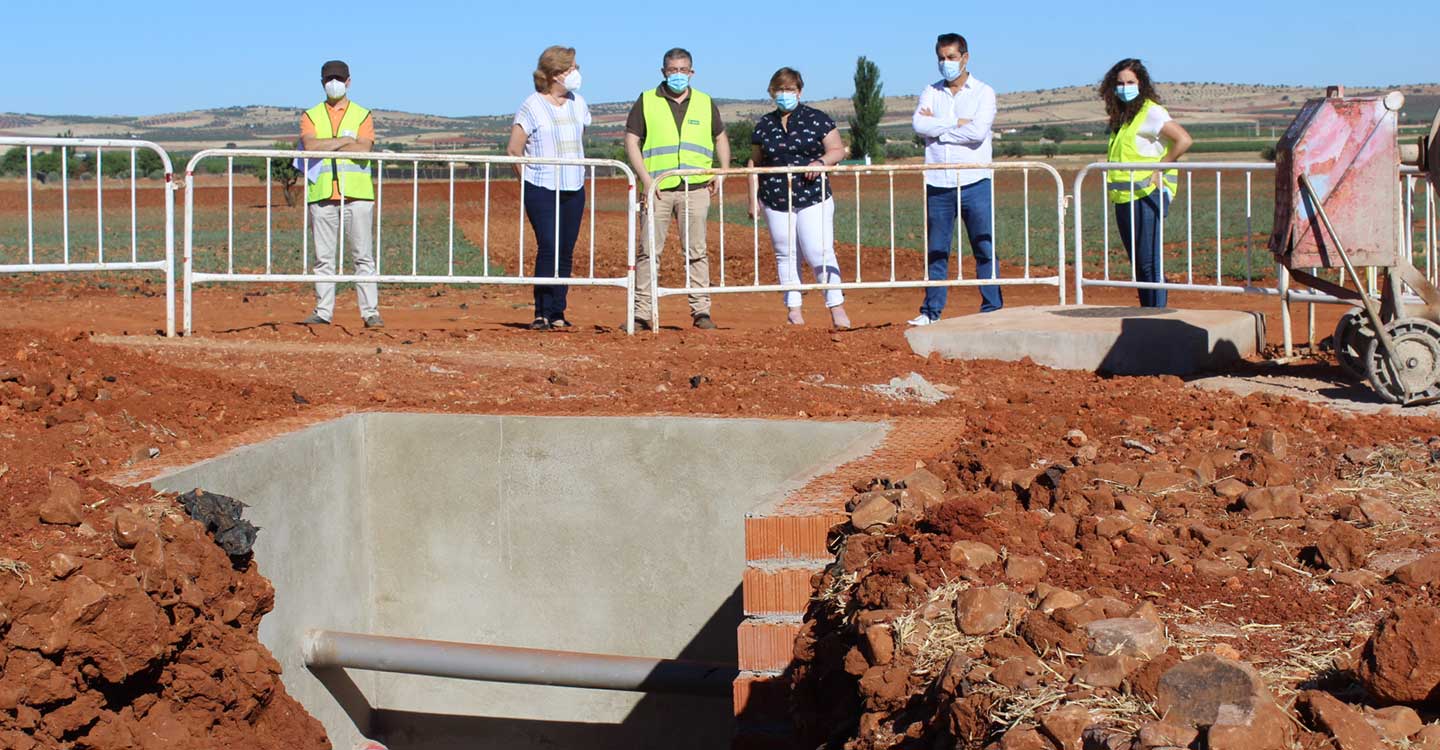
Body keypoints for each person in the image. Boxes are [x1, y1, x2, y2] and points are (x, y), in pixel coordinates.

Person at [624, 47, 730, 330]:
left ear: (692, 72)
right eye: (673, 70)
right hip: (658, 188)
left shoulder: (706, 102)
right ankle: (642, 313)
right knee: (648, 251)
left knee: (696, 250)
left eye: (683, 70)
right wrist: (646, 180)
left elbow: (720, 137)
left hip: (695, 188)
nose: (678, 75)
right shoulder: (647, 100)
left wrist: (722, 171)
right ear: (663, 72)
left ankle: (701, 311)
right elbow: (632, 140)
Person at [746, 67, 851, 329]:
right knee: (785, 253)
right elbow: (754, 163)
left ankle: (836, 307)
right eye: (779, 90)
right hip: (775, 198)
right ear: (771, 92)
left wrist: (821, 162)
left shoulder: (817, 119)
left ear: (800, 91)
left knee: (819, 251)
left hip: (812, 195)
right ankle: (794, 310)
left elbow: (838, 150)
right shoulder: (764, 125)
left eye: (790, 89)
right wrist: (753, 198)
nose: (784, 94)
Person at [909, 33, 999, 326]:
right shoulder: (931, 91)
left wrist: (938, 129)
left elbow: (977, 133)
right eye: (941, 58)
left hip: (975, 180)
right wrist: (954, 124)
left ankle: (992, 308)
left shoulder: (984, 92)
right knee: (937, 250)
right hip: (938, 182)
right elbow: (918, 124)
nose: (945, 63)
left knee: (984, 247)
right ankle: (931, 311)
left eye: (951, 57)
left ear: (965, 58)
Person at [507, 45, 592, 330]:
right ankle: (541, 311)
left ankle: (558, 311)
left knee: (566, 249)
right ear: (556, 73)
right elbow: (514, 150)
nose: (576, 73)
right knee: (549, 246)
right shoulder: (531, 105)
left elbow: (580, 138)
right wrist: (527, 181)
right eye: (572, 68)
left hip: (573, 185)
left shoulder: (578, 103)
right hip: (541, 186)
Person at [1100, 58, 1192, 308]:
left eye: (1130, 82)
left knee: (1150, 262)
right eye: (1120, 83)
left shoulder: (1151, 112)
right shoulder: (1123, 117)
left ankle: (1157, 317)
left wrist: (1161, 167)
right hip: (1124, 197)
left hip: (1146, 195)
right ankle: (1147, 314)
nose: (1124, 87)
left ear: (1141, 84)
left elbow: (1183, 140)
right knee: (1139, 264)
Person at [299, 60, 381, 328]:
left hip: (357, 196)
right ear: (322, 82)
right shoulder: (310, 115)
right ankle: (323, 312)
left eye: (338, 78)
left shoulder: (362, 114)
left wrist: (331, 146)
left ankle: (370, 313)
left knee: (363, 257)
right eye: (328, 79)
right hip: (322, 196)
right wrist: (346, 141)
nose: (333, 83)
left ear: (348, 81)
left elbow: (364, 150)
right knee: (323, 259)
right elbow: (310, 147)